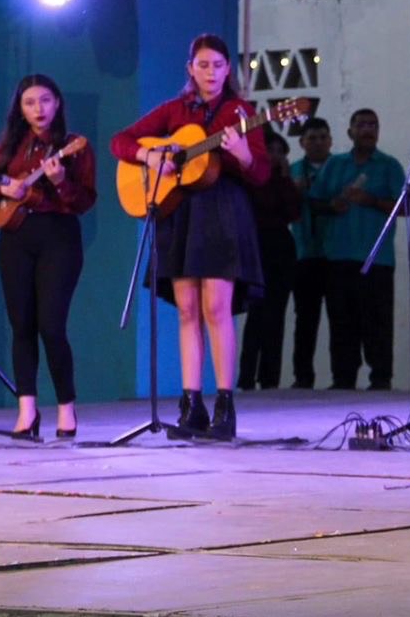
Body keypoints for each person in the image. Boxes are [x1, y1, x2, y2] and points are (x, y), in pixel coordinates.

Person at [111, 34, 268, 439]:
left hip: (222, 212)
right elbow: (120, 141)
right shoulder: (176, 110)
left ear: (228, 69)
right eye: (203, 65)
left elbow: (261, 173)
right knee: (187, 310)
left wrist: (242, 154)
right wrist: (150, 155)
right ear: (190, 69)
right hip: (180, 214)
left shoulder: (240, 112)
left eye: (217, 65)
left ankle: (225, 405)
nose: (210, 73)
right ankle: (191, 405)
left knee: (216, 307)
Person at [0, 75, 96, 440]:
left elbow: (85, 201)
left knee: (52, 326)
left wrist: (59, 182)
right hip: (15, 240)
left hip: (58, 238)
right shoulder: (10, 146)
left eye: (45, 100)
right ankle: (26, 412)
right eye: (29, 103)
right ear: (20, 109)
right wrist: (3, 188)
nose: (38, 109)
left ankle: (66, 409)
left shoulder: (73, 146)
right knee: (21, 325)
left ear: (57, 103)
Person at [308, 109, 405, 390]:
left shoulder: (389, 166)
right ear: (350, 132)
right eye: (361, 125)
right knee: (341, 322)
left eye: (373, 125)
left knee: (378, 322)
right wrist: (332, 205)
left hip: (377, 258)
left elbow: (404, 207)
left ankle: (381, 380)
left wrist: (371, 200)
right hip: (338, 256)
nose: (368, 130)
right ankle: (343, 380)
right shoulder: (335, 164)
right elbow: (314, 202)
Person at [237, 129, 301, 390]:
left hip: (281, 247)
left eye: (279, 152)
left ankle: (270, 377)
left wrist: (285, 179)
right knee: (256, 313)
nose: (275, 156)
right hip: (256, 247)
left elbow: (294, 213)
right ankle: (247, 376)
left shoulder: (284, 181)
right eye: (270, 150)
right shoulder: (250, 180)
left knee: (276, 314)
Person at [286, 116, 334, 388]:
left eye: (322, 137)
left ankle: (344, 378)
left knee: (341, 318)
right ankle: (302, 377)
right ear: (302, 143)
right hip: (303, 252)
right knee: (305, 319)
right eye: (312, 138)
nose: (318, 143)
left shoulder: (341, 167)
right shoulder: (293, 171)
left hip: (336, 253)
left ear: (331, 141)